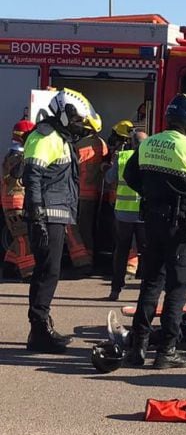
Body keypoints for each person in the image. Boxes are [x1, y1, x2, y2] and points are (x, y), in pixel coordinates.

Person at [123, 94, 186, 370]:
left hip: (152, 222)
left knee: (150, 283)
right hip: (181, 227)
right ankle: (166, 351)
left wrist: (152, 194)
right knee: (177, 288)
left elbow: (130, 177)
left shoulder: (149, 142)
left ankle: (137, 348)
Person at [23, 89, 102, 353]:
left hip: (54, 214)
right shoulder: (46, 137)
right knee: (48, 272)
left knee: (50, 271)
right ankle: (39, 329)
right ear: (65, 115)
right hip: (46, 215)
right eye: (78, 120)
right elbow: (33, 176)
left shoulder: (60, 138)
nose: (81, 126)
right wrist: (37, 216)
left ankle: (40, 326)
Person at [106, 131, 147, 301]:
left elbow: (109, 179)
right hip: (144, 214)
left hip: (123, 213)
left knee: (121, 251)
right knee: (145, 253)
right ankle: (145, 292)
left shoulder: (122, 157)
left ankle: (115, 290)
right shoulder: (149, 158)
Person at [2, 120, 37, 280]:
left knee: (18, 236)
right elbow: (17, 175)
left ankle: (9, 266)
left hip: (11, 200)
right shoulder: (19, 156)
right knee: (23, 238)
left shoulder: (11, 153)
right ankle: (28, 273)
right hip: (16, 202)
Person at [75, 127, 109, 254]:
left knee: (84, 227)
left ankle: (86, 256)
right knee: (93, 225)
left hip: (82, 193)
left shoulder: (78, 145)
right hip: (98, 191)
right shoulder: (102, 143)